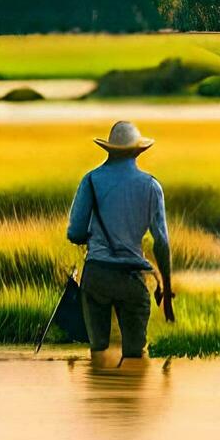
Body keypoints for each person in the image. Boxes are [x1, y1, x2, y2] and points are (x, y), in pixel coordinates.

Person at [66, 120, 174, 358]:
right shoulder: (151, 186)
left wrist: (95, 236)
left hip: (96, 276)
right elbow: (162, 243)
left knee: (98, 352)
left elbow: (74, 233)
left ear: (110, 149)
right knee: (135, 356)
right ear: (137, 151)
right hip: (132, 280)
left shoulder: (91, 181)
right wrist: (167, 291)